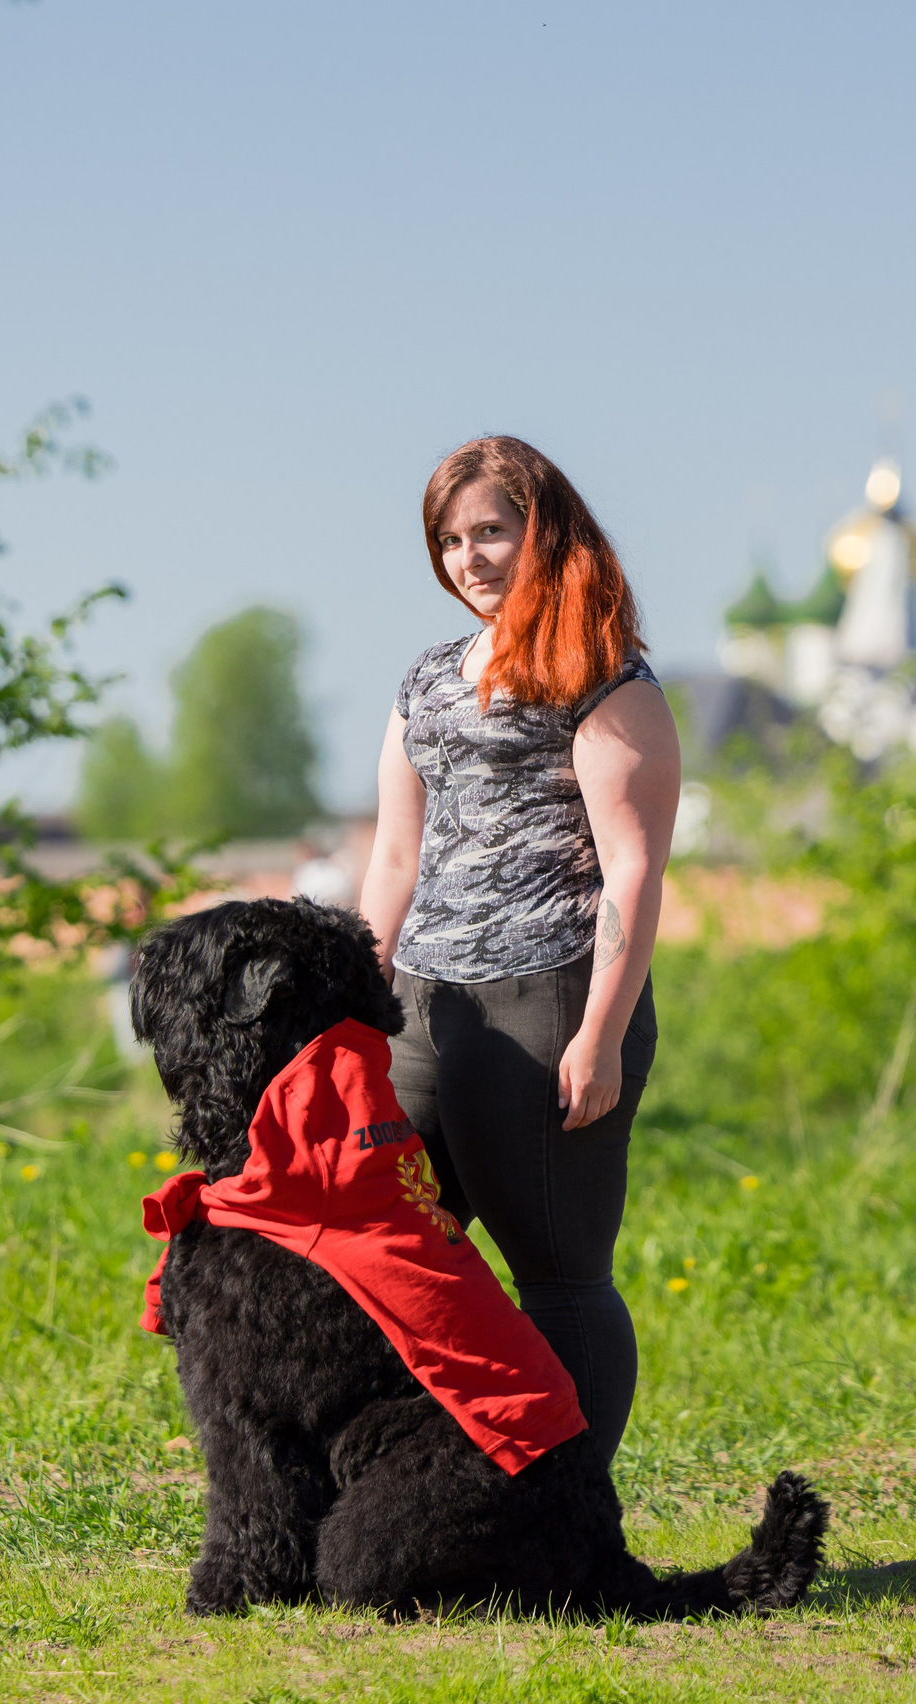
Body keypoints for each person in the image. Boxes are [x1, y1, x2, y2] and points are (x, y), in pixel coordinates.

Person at [357, 434, 679, 1468]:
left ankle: (571, 1520)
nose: (468, 559)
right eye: (449, 540)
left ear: (543, 528)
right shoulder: (425, 679)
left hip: (547, 1001)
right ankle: (408, 1494)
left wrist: (601, 1033)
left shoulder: (604, 676)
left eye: (490, 529)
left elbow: (632, 868)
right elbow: (395, 854)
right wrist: (361, 1006)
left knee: (558, 1273)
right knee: (382, 1255)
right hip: (424, 1007)